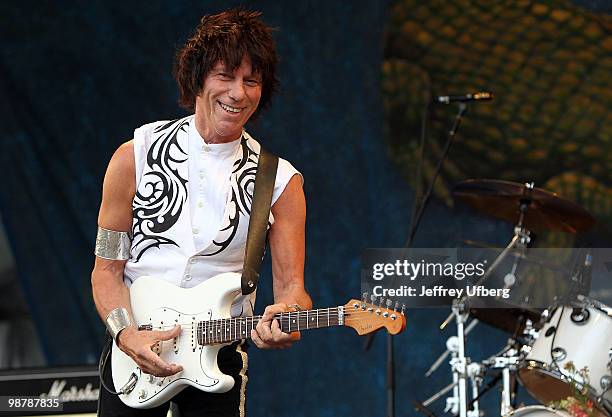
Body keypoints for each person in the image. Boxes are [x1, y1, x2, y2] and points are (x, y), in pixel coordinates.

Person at [91, 9, 311, 417]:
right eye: (225, 76)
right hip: (134, 348)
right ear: (197, 78)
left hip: (219, 352)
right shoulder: (134, 156)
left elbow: (293, 289)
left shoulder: (280, 181)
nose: (238, 93)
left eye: (251, 81)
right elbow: (106, 271)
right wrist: (125, 334)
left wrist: (289, 315)